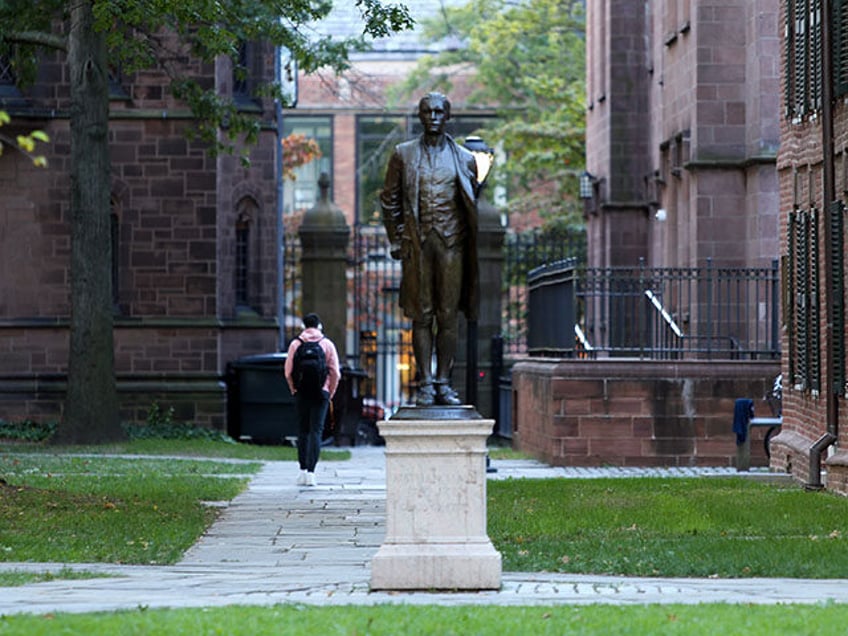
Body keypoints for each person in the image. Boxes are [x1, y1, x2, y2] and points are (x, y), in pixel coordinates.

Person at [380, 92, 480, 407]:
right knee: (421, 315)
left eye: (439, 112)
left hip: (452, 244)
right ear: (420, 116)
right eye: (427, 112)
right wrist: (396, 239)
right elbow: (389, 199)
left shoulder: (465, 158)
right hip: (418, 244)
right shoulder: (403, 154)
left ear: (447, 116)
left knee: (448, 316)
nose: (433, 117)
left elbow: (470, 203)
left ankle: (444, 383)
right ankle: (424, 383)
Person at [284, 313, 340, 486]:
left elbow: (287, 372)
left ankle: (301, 471)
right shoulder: (327, 344)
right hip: (320, 393)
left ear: (303, 326)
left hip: (301, 392)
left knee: (303, 431)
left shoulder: (295, 344)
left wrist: (294, 389)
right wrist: (329, 392)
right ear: (319, 326)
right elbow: (335, 373)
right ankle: (311, 473)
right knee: (316, 431)